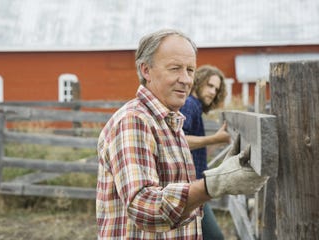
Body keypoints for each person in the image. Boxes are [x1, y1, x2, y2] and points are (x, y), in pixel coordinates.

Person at [96, 29, 268, 239]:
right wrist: (214, 183)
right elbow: (145, 207)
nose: (186, 79)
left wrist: (221, 173)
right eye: (175, 68)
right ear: (146, 70)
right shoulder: (134, 121)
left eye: (190, 70)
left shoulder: (171, 121)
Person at [180, 65, 230, 240]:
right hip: (189, 188)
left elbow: (195, 151)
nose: (212, 92)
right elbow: (179, 142)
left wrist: (217, 141)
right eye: (209, 85)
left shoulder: (195, 108)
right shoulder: (189, 105)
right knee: (215, 237)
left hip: (193, 187)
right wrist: (215, 139)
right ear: (198, 82)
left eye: (216, 89)